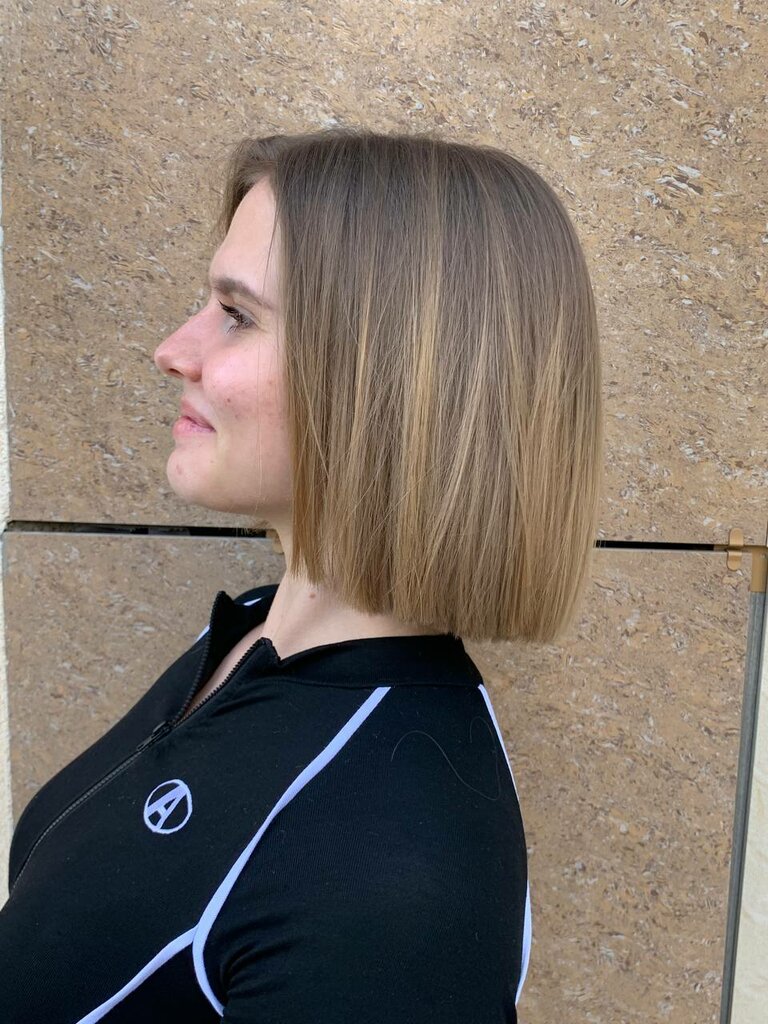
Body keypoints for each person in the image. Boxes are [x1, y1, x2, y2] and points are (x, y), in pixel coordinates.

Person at [0, 128, 603, 1023]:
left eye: (236, 314)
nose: (173, 349)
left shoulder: (395, 875)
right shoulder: (251, 630)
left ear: (383, 374)